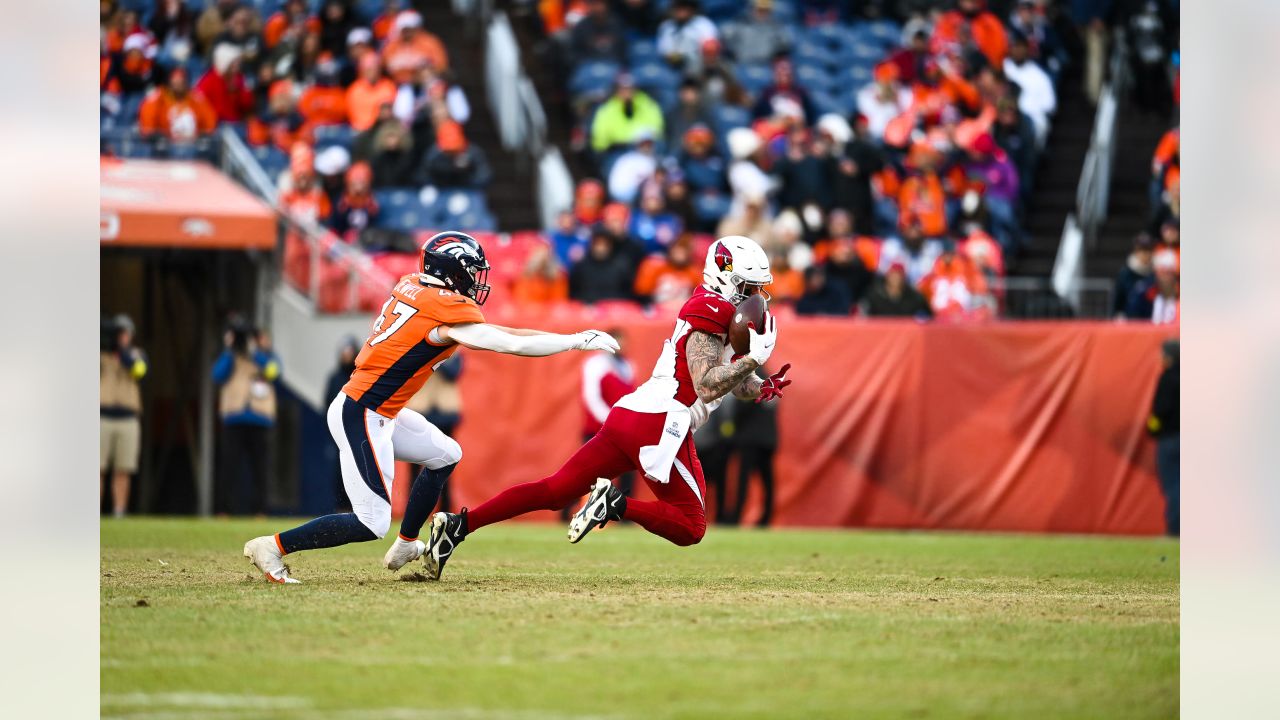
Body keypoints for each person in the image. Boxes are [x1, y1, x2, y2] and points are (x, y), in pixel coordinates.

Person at [244, 232, 621, 583]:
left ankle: (408, 542)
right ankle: (272, 547)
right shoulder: (442, 307)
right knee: (371, 522)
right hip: (361, 411)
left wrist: (569, 337)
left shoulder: (413, 285)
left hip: (379, 409)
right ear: (453, 271)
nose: (476, 280)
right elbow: (512, 345)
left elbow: (509, 333)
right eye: (472, 272)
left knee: (445, 454)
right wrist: (575, 341)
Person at [420, 236, 793, 580]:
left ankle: (457, 526)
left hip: (634, 414)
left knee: (554, 491)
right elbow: (707, 381)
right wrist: (754, 358)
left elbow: (726, 380)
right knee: (691, 526)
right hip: (663, 419)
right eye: (749, 286)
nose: (756, 295)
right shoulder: (712, 307)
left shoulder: (714, 306)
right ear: (724, 276)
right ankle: (613, 503)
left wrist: (759, 383)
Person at [213, 318, 282, 517]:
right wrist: (230, 350)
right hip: (234, 417)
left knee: (260, 468)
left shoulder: (266, 356)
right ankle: (224, 510)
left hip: (260, 418)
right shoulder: (231, 356)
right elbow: (217, 376)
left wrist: (255, 353)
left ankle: (260, 510)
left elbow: (274, 373)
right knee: (229, 467)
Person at [101, 315, 147, 518]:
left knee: (123, 469)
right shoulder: (101, 355)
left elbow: (139, 372)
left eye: (125, 333)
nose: (122, 337)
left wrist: (122, 351)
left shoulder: (137, 355)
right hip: (102, 416)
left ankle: (119, 511)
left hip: (128, 417)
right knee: (97, 469)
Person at [733, 373, 778, 527]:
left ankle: (736, 517)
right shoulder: (772, 378)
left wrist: (735, 427)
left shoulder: (751, 377)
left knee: (743, 481)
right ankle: (766, 518)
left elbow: (742, 409)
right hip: (768, 439)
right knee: (767, 481)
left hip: (750, 438)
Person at [1147, 338, 1179, 536]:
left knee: (1172, 485)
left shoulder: (1167, 378)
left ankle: (1175, 528)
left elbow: (1160, 410)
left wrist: (1152, 429)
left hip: (1169, 439)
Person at [138, 66, 217, 145]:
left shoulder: (196, 98)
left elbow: (209, 120)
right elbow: (148, 124)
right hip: (166, 146)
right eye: (175, 82)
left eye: (181, 82)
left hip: (193, 144)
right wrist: (156, 135)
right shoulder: (158, 98)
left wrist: (203, 134)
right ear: (169, 83)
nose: (178, 85)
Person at [590, 74, 665, 156]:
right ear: (617, 90)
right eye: (623, 89)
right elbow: (600, 141)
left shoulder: (648, 105)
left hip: (645, 149)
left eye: (629, 88)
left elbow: (657, 131)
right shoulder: (606, 109)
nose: (626, 93)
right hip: (618, 151)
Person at [568, 228, 637, 304]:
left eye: (605, 244)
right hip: (587, 310)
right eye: (598, 243)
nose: (601, 248)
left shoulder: (622, 266)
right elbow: (573, 292)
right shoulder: (581, 266)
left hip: (615, 310)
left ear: (611, 245)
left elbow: (629, 293)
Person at [656, 0, 718, 74]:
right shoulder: (666, 26)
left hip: (701, 65)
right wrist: (678, 57)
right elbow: (664, 52)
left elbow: (711, 47)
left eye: (684, 7)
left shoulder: (703, 23)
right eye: (678, 7)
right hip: (675, 66)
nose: (681, 11)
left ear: (692, 9)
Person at [721, 0, 791, 66]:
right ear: (752, 9)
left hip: (766, 66)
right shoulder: (740, 24)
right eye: (760, 10)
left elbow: (785, 45)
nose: (763, 14)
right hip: (742, 64)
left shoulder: (776, 28)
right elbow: (725, 38)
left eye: (766, 11)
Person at [423, 121, 491, 189]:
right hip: (441, 191)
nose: (452, 153)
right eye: (448, 150)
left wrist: (466, 172)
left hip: (467, 190)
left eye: (455, 150)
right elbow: (422, 176)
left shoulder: (473, 153)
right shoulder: (434, 154)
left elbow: (485, 176)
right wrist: (447, 169)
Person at [863, 263, 932, 318]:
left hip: (905, 332)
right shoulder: (876, 296)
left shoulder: (913, 297)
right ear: (888, 276)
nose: (896, 278)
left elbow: (927, 315)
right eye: (893, 275)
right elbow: (867, 317)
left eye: (899, 275)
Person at [1114, 234, 1155, 318]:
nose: (1145, 254)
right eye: (1142, 250)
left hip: (1150, 322)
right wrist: (1117, 315)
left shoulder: (1155, 273)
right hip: (1129, 321)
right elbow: (1118, 298)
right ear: (1136, 251)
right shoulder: (1125, 273)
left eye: (1148, 250)